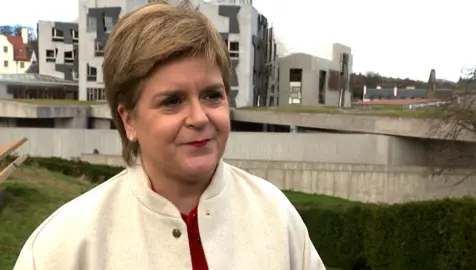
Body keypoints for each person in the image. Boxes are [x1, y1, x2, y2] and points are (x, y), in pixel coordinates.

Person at [14, 2, 325, 270]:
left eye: (212, 95)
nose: (199, 118)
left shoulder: (276, 216)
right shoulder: (62, 246)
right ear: (129, 120)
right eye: (172, 101)